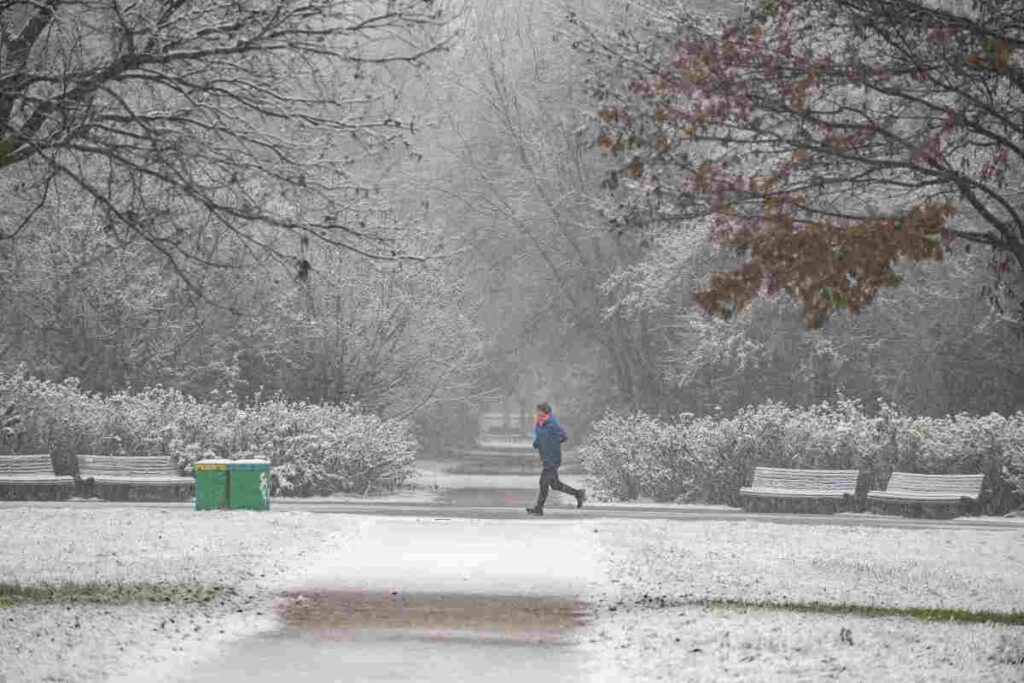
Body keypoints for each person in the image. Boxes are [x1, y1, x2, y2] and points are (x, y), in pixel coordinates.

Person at [526, 402, 585, 516]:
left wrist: (552, 445)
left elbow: (564, 436)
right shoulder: (539, 423)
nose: (537, 413)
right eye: (537, 411)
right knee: (555, 485)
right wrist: (537, 443)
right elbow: (540, 437)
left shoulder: (552, 424)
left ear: (545, 411)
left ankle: (539, 508)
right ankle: (578, 493)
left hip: (553, 459)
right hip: (545, 458)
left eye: (539, 411)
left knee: (543, 483)